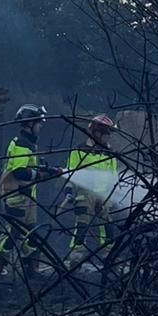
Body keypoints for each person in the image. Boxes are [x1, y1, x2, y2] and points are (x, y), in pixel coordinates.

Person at [0, 104, 63, 278]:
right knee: (13, 232)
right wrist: (41, 174)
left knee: (30, 234)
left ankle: (32, 269)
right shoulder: (22, 144)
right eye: (39, 122)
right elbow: (20, 171)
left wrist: (48, 171)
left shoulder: (27, 144)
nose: (40, 126)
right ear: (30, 123)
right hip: (17, 196)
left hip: (26, 197)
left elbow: (28, 168)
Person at [63, 114, 119, 269]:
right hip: (85, 193)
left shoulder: (109, 152)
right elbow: (71, 173)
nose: (109, 138)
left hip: (104, 194)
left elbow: (113, 175)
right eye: (107, 134)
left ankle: (109, 256)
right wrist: (68, 192)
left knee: (107, 227)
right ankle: (76, 257)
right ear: (97, 132)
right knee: (82, 225)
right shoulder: (79, 150)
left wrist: (113, 195)